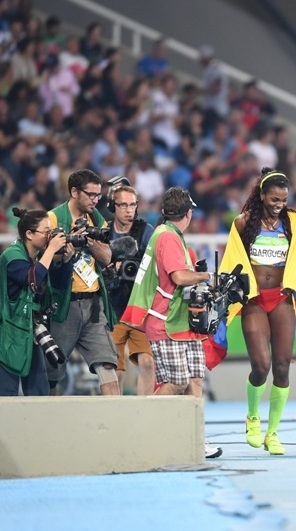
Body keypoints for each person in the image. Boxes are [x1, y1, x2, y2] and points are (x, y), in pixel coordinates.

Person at [219, 168, 296, 455]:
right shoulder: (243, 223)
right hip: (254, 300)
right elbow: (232, 260)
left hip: (281, 299)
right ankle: (252, 416)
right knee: (261, 366)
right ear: (262, 195)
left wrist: (295, 286)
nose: (279, 205)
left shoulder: (293, 223)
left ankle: (272, 433)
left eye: (283, 200)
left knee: (283, 367)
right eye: (274, 199)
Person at [120, 187, 221, 458]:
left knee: (195, 381)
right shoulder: (167, 237)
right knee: (177, 382)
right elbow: (179, 277)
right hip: (167, 322)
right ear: (188, 214)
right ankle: (138, 432)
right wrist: (208, 277)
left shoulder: (167, 233)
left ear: (165, 211)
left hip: (182, 322)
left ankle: (196, 441)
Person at [47, 169, 120, 396]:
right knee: (51, 373)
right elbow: (44, 260)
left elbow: (107, 257)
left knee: (108, 365)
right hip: (63, 306)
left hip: (94, 304)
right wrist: (67, 244)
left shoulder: (96, 218)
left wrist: (89, 242)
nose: (96, 200)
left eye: (98, 195)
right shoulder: (53, 218)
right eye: (91, 195)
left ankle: (117, 417)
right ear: (74, 192)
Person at [0, 207, 67, 396]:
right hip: (8, 332)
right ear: (29, 234)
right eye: (47, 232)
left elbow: (60, 285)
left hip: (30, 329)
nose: (51, 237)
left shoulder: (39, 256)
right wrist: (51, 249)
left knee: (39, 392)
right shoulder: (12, 255)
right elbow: (32, 279)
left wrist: (66, 260)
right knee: (6, 393)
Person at [106, 179, 155, 394]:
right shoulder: (104, 232)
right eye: (123, 205)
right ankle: (114, 412)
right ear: (113, 207)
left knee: (147, 363)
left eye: (133, 205)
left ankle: (145, 411)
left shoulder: (145, 231)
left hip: (139, 308)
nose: (129, 210)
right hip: (112, 308)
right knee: (115, 371)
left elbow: (155, 266)